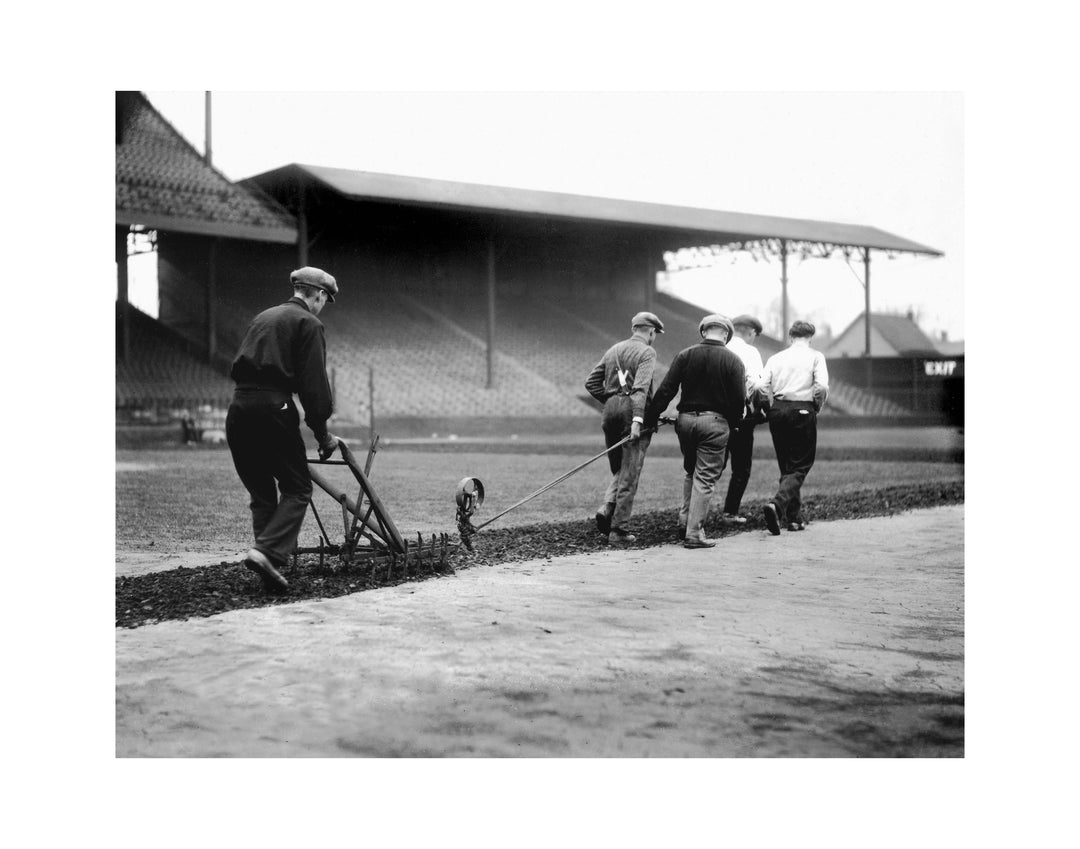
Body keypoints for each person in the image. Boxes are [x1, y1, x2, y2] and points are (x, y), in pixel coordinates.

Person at [226, 266, 344, 592]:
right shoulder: (309, 323)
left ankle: (267, 565)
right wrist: (323, 436)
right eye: (324, 299)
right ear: (319, 294)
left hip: (238, 408)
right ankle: (267, 553)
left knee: (262, 493)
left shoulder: (262, 318)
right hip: (273, 407)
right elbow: (314, 389)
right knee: (297, 487)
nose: (323, 305)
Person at [645, 314, 745, 549]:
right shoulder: (734, 361)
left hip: (686, 422)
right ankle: (694, 533)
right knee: (705, 477)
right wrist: (735, 422)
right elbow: (738, 400)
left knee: (691, 471)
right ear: (726, 335)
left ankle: (684, 522)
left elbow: (666, 390)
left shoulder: (685, 354)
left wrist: (651, 418)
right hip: (715, 423)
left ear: (703, 332)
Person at [584, 311, 664, 546]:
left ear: (633, 328)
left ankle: (608, 507)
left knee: (619, 467)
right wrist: (637, 419)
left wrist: (612, 401)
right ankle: (618, 530)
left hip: (610, 411)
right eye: (655, 334)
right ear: (650, 331)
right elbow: (640, 389)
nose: (654, 337)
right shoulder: (648, 352)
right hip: (632, 412)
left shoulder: (613, 350)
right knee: (630, 471)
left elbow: (590, 383)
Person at [759, 320, 829, 535]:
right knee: (800, 465)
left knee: (787, 466)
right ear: (810, 337)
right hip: (802, 409)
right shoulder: (816, 356)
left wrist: (766, 408)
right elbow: (822, 386)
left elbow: (761, 386)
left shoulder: (775, 357)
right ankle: (777, 505)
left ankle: (794, 519)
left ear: (790, 337)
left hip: (778, 410)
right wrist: (816, 406)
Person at [721, 314, 766, 524]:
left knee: (711, 467)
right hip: (740, 417)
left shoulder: (721, 347)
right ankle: (729, 512)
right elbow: (758, 385)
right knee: (741, 467)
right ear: (751, 332)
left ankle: (694, 514)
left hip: (715, 415)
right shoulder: (750, 351)